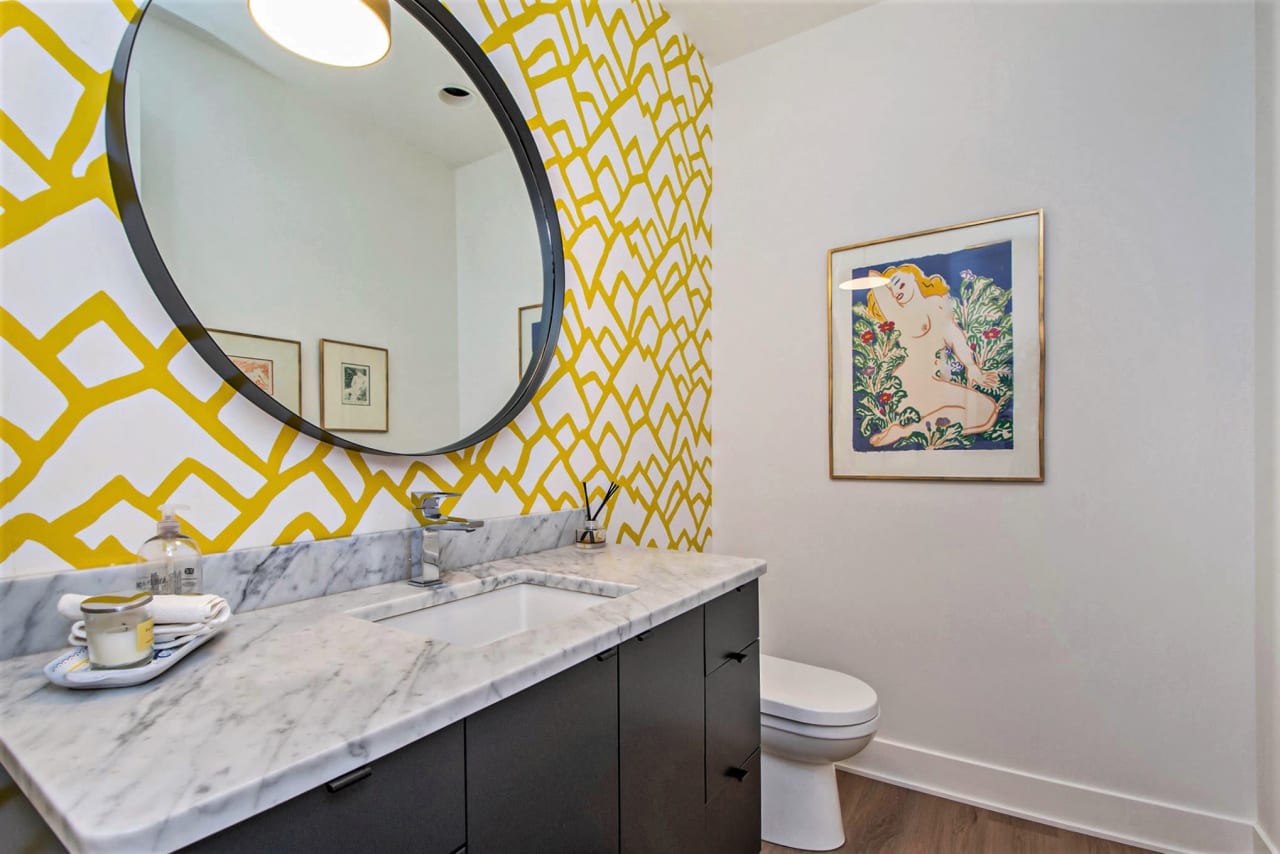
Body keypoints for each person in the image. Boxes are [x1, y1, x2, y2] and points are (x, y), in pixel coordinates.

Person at [865, 264, 998, 447]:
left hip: (932, 382)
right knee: (977, 411)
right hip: (907, 384)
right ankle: (906, 430)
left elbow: (954, 336)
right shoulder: (898, 314)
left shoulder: (936, 305)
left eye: (898, 282)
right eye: (891, 288)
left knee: (985, 410)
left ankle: (905, 431)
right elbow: (874, 279)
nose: (895, 290)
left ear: (915, 277)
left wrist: (972, 367)